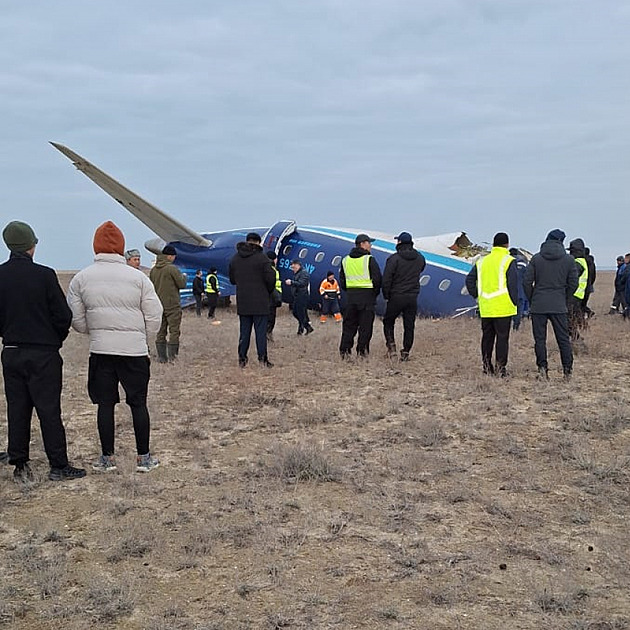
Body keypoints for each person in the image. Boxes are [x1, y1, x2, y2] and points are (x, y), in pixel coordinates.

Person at [67, 221, 164, 473]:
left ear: (95, 246)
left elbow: (76, 319)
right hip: (134, 351)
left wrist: (96, 331)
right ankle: (143, 458)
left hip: (101, 351)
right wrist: (142, 337)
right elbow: (155, 313)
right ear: (121, 248)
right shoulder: (138, 278)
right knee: (138, 403)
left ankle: (107, 459)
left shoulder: (81, 278)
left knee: (105, 404)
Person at [0, 220, 86, 482]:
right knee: (48, 409)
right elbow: (63, 315)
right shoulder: (45, 275)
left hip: (11, 352)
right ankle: (58, 465)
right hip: (43, 354)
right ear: (30, 246)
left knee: (17, 407)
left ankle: (19, 462)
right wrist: (55, 340)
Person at [523, 229, 578, 379]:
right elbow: (574, 283)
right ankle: (567, 371)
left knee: (540, 340)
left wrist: (532, 298)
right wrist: (564, 298)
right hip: (559, 304)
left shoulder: (536, 259)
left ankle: (542, 370)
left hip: (539, 304)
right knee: (563, 339)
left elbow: (527, 282)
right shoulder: (569, 260)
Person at [465, 232, 517, 377]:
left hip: (486, 307)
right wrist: (514, 302)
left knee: (487, 338)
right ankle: (501, 369)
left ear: (493, 244)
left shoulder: (482, 262)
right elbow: (513, 285)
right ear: (507, 244)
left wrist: (477, 295)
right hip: (503, 307)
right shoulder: (509, 261)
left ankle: (487, 367)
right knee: (502, 339)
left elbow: (469, 280)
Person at [228, 232, 276, 367]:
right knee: (260, 333)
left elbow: (232, 280)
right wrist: (267, 291)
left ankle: (242, 359)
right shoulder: (262, 259)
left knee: (244, 332)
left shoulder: (235, 259)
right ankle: (263, 359)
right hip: (260, 302)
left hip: (243, 301)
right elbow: (270, 279)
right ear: (258, 242)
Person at [382, 232, 426, 361]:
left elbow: (387, 279)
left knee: (388, 321)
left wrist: (386, 295)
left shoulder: (394, 259)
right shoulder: (420, 258)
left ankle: (391, 347)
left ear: (399, 243)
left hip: (396, 296)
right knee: (409, 325)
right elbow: (421, 269)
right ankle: (406, 351)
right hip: (412, 297)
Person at [339, 233, 382, 358]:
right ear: (363, 244)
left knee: (349, 326)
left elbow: (342, 280)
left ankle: (345, 352)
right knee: (365, 327)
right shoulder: (369, 259)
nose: (371, 246)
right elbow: (377, 279)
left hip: (351, 297)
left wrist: (350, 290)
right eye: (369, 243)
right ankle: (362, 352)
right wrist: (374, 294)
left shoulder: (345, 260)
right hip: (367, 298)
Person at [149, 244, 186, 362]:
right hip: (172, 304)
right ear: (169, 256)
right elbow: (181, 284)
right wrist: (184, 277)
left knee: (161, 331)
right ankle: (172, 357)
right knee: (174, 331)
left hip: (158, 304)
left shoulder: (154, 270)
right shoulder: (172, 269)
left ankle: (162, 357)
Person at [567, 238, 589, 345]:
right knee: (571, 321)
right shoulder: (583, 261)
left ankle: (578, 342)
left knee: (568, 322)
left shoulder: (577, 263)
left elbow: (571, 279)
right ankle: (575, 341)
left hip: (573, 296)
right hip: (578, 296)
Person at [286, 259, 313, 335]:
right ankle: (303, 328)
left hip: (302, 296)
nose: (292, 268)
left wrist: (292, 282)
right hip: (298, 295)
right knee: (296, 312)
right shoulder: (297, 273)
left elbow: (302, 283)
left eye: (293, 266)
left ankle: (307, 327)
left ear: (298, 265)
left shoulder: (304, 273)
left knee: (300, 313)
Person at [509, 247, 530, 331]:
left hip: (508, 291)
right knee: (519, 309)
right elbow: (527, 278)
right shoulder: (523, 264)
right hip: (520, 290)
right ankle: (516, 326)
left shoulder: (507, 261)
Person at [266, 252, 282, 341]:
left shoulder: (270, 269)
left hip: (272, 296)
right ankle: (267, 335)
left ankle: (268, 334)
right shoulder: (271, 270)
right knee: (270, 317)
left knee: (270, 317)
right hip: (272, 297)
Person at [582, 246, 596, 320]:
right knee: (584, 303)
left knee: (581, 303)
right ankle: (587, 313)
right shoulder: (592, 263)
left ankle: (587, 313)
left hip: (583, 285)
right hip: (589, 285)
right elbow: (594, 275)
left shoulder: (583, 262)